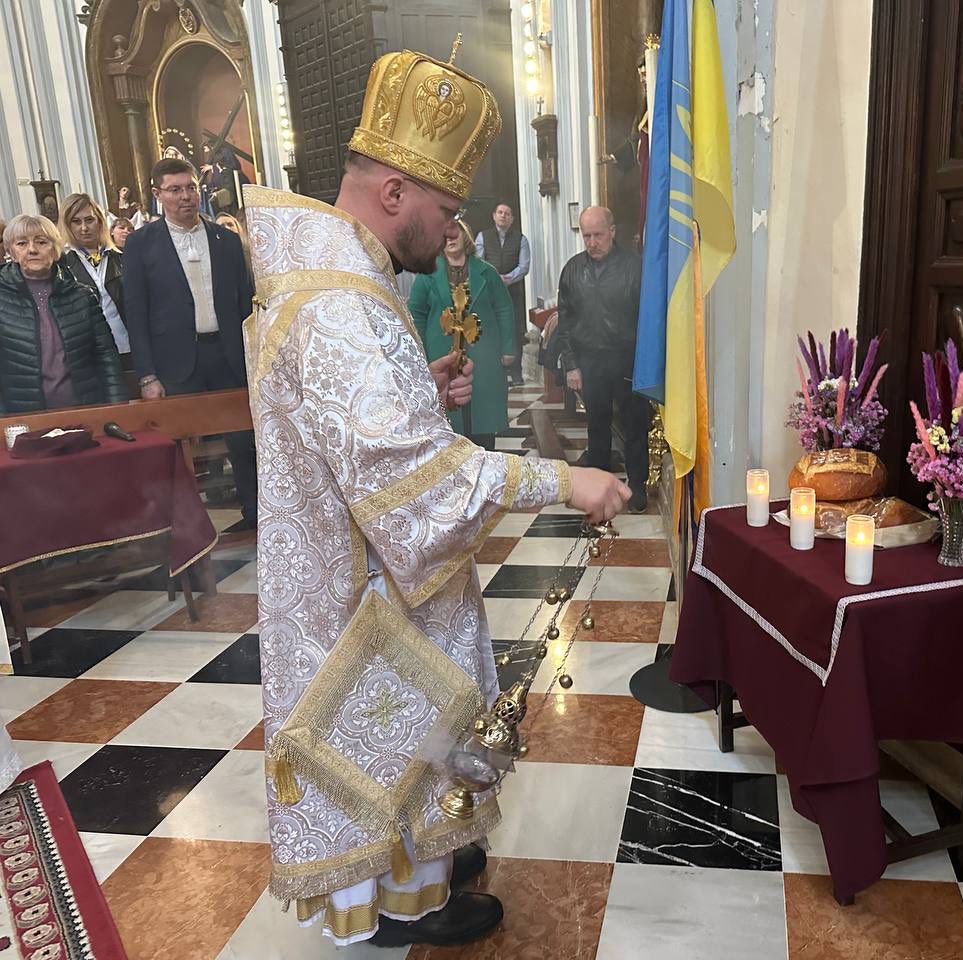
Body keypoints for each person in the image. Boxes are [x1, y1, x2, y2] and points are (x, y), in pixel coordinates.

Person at [242, 50, 631, 950]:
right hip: (363, 594)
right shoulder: (337, 301)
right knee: (386, 745)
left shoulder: (334, 277)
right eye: (446, 210)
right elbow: (409, 478)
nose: (451, 228)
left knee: (415, 737)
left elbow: (346, 425)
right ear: (393, 191)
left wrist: (417, 378)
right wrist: (562, 478)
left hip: (358, 577)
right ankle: (394, 907)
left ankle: (428, 866)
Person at [124, 156, 258, 531]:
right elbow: (136, 313)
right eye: (175, 190)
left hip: (227, 354)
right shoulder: (140, 244)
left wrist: (253, 357)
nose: (185, 196)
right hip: (176, 359)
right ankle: (186, 526)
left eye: (190, 188)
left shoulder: (226, 240)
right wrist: (147, 375)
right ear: (158, 194)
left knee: (243, 438)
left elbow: (245, 302)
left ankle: (255, 512)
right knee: (177, 444)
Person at [556, 205, 650, 512]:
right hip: (590, 361)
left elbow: (647, 318)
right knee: (597, 426)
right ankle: (597, 490)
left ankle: (636, 488)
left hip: (627, 360)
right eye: (586, 236)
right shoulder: (573, 270)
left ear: (612, 231)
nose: (592, 242)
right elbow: (565, 321)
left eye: (598, 235)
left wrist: (646, 365)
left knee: (635, 426)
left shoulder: (634, 268)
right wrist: (571, 364)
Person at [0, 215, 126, 412]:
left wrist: (117, 409)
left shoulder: (82, 296)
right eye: (22, 243)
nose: (32, 249)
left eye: (41, 242)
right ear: (11, 251)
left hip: (85, 409)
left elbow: (106, 357)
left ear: (55, 248)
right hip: (24, 416)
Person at [409, 221, 515, 450]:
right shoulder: (427, 275)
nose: (450, 238)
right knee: (448, 421)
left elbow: (504, 309)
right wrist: (419, 353)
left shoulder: (487, 272)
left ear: (465, 235)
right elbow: (416, 313)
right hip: (441, 352)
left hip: (483, 354)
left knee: (483, 419)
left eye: (454, 232)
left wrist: (508, 348)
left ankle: (485, 456)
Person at [58, 194, 130, 366]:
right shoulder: (61, 265)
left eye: (89, 220)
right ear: (68, 225)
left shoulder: (121, 257)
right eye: (76, 221)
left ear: (99, 221)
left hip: (127, 346)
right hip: (87, 354)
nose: (84, 228)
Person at [475, 202, 529, 384]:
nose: (503, 216)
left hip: (513, 291)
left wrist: (508, 278)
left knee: (515, 330)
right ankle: (495, 371)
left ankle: (516, 373)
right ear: (494, 216)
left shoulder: (521, 239)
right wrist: (494, 278)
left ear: (512, 219)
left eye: (507, 213)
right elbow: (478, 261)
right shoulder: (483, 237)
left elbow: (524, 266)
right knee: (492, 328)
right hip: (489, 292)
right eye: (500, 212)